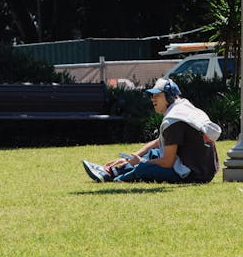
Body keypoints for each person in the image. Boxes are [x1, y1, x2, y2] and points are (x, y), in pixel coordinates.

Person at [82, 78, 221, 184]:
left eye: (157, 95)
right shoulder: (186, 109)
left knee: (144, 168)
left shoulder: (173, 120)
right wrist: (131, 157)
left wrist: (141, 161)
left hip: (194, 174)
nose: (153, 99)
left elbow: (167, 162)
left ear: (169, 96)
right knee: (153, 153)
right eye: (152, 95)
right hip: (205, 170)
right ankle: (109, 171)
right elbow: (160, 141)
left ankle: (117, 179)